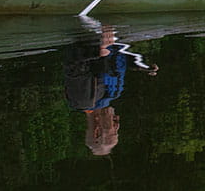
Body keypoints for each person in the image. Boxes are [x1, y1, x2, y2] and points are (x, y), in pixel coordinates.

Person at [64, 26, 158, 156]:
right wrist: (139, 66)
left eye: (114, 131)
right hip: (113, 34)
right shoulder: (112, 96)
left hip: (94, 31)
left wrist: (97, 50)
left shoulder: (82, 100)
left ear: (97, 131)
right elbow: (113, 65)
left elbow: (73, 62)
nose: (117, 122)